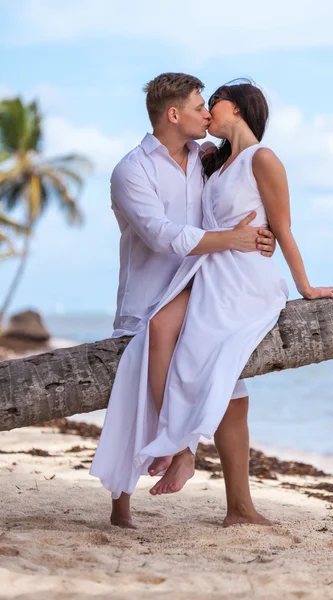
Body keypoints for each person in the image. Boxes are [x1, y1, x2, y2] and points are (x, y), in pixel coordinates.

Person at [90, 73, 276, 529]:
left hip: (205, 293)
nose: (207, 113)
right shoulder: (131, 170)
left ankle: (239, 507)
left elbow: (241, 199)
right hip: (150, 299)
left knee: (234, 396)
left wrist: (256, 239)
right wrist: (232, 238)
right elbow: (161, 236)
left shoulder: (206, 158)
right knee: (134, 395)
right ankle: (122, 506)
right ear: (174, 115)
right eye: (199, 106)